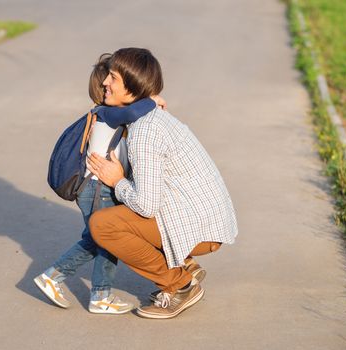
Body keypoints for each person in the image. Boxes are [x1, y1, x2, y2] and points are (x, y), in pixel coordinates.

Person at [87, 47, 238, 319]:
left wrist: (117, 180)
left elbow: (146, 205)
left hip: (199, 227)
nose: (104, 82)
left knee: (103, 225)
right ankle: (184, 266)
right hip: (203, 217)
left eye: (112, 78)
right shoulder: (148, 115)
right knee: (122, 213)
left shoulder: (144, 132)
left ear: (131, 87)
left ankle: (180, 285)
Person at [33, 53, 161, 314]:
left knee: (99, 238)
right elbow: (138, 109)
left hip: (97, 187)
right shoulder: (106, 114)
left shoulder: (107, 115)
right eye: (109, 79)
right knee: (105, 239)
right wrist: (152, 100)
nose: (108, 84)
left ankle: (81, 288)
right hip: (98, 189)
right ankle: (67, 282)